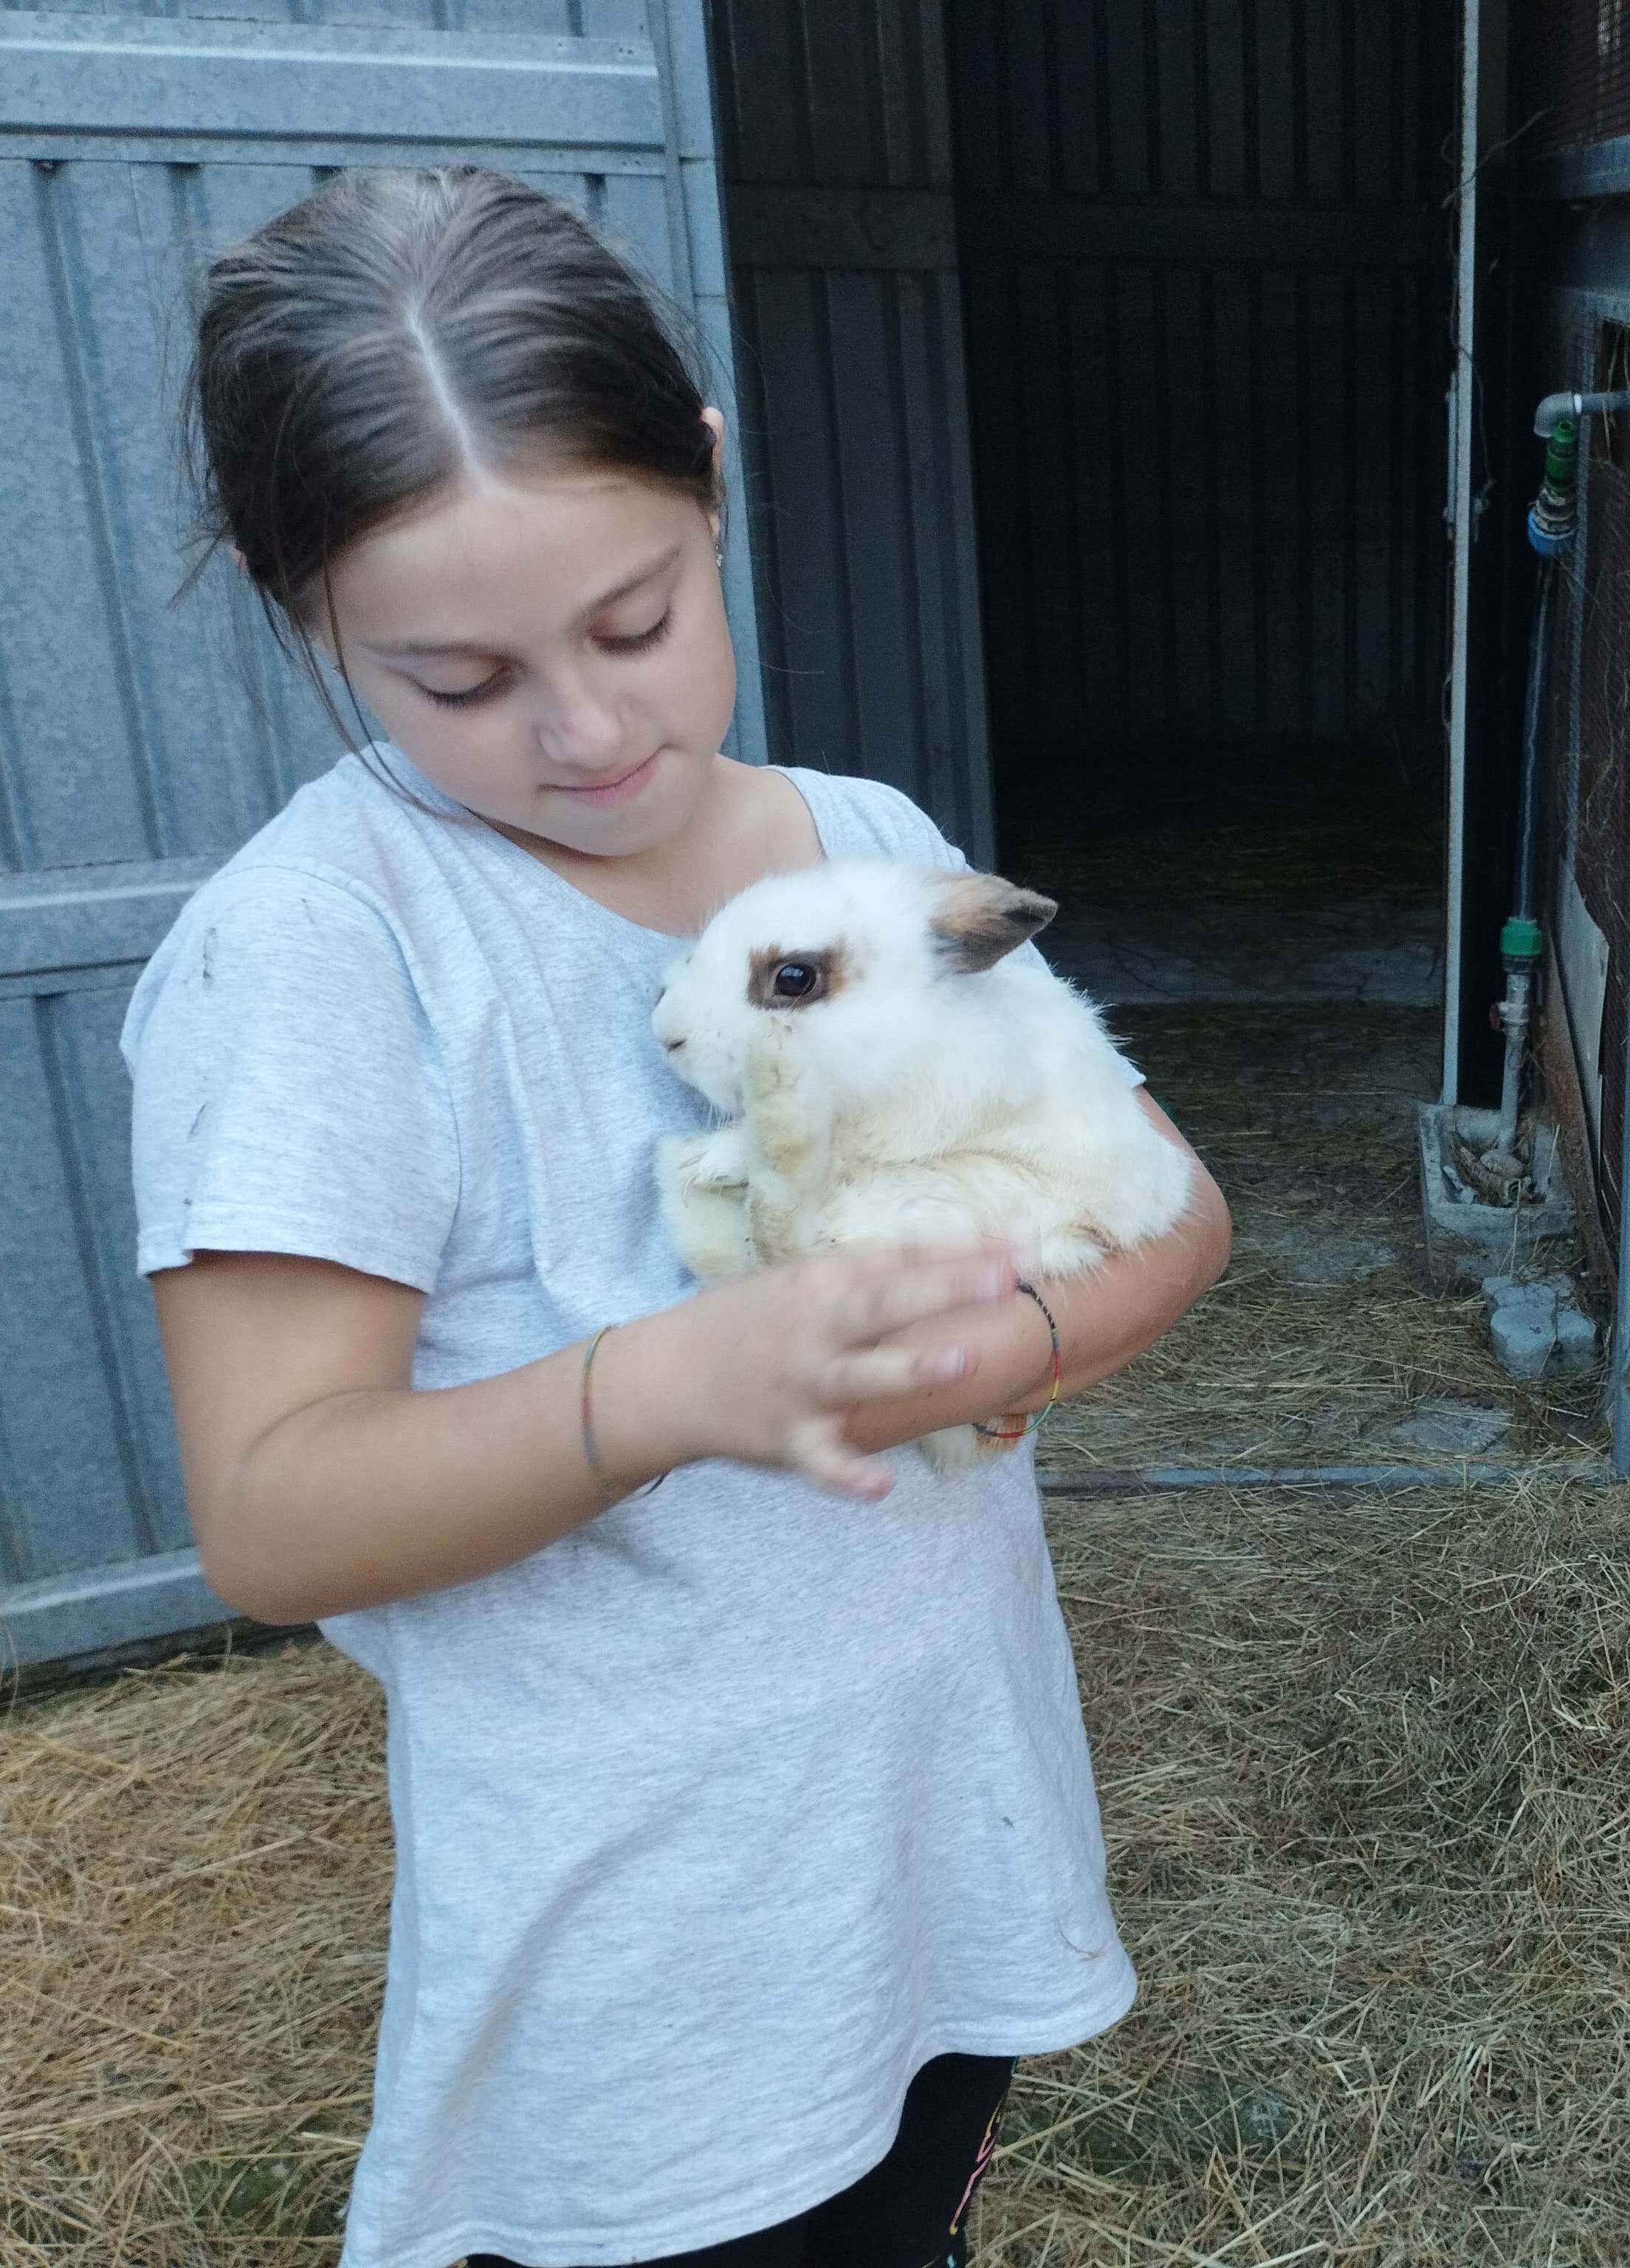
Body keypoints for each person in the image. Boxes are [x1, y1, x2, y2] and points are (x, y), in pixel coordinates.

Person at [127, 166, 1231, 2268]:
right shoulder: (324, 952)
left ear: (710, 486)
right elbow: (271, 1514)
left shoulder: (866, 851)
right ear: (304, 613)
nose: (591, 726)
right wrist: (662, 1389)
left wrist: (1005, 1346)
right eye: (459, 678)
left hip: (929, 1844)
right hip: (646, 1970)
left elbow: (1170, 1207)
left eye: (635, 622)